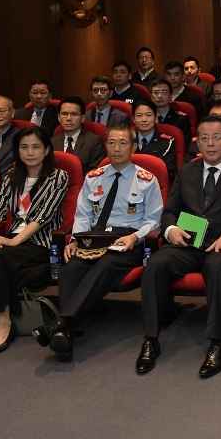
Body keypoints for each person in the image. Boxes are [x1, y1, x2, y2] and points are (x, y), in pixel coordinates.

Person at [138, 116, 221, 377]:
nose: (211, 143)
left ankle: (217, 343)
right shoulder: (187, 171)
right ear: (197, 143)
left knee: (217, 268)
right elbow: (169, 212)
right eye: (204, 138)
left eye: (217, 137)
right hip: (188, 243)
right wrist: (170, 230)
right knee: (156, 263)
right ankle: (150, 339)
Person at [35, 125, 164, 362]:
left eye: (123, 143)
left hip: (128, 239)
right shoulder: (94, 177)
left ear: (133, 147)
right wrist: (76, 239)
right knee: (69, 271)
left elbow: (154, 219)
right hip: (95, 237)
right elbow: (83, 215)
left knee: (106, 265)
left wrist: (135, 237)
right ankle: (67, 333)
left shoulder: (146, 180)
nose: (117, 148)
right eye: (112, 143)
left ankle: (62, 324)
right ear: (106, 146)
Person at [0, 127, 69, 357]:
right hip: (10, 240)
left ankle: (2, 321)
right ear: (17, 151)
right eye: (24, 147)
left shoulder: (58, 177)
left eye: (36, 147)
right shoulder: (12, 175)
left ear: (46, 150)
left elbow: (43, 216)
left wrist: (14, 242)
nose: (30, 152)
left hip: (39, 242)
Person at [51, 96, 105, 171]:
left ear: (82, 118)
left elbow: (95, 172)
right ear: (59, 117)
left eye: (74, 114)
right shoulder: (52, 142)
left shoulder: (94, 142)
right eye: (64, 114)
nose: (68, 118)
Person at [132, 100, 179, 181]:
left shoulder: (167, 143)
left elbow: (169, 174)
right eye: (139, 115)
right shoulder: (127, 142)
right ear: (133, 119)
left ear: (155, 118)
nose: (144, 119)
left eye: (148, 115)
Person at [148, 79, 192, 146]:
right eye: (156, 92)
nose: (159, 96)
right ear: (151, 97)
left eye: (164, 92)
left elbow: (184, 145)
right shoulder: (146, 118)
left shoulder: (181, 119)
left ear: (171, 96)